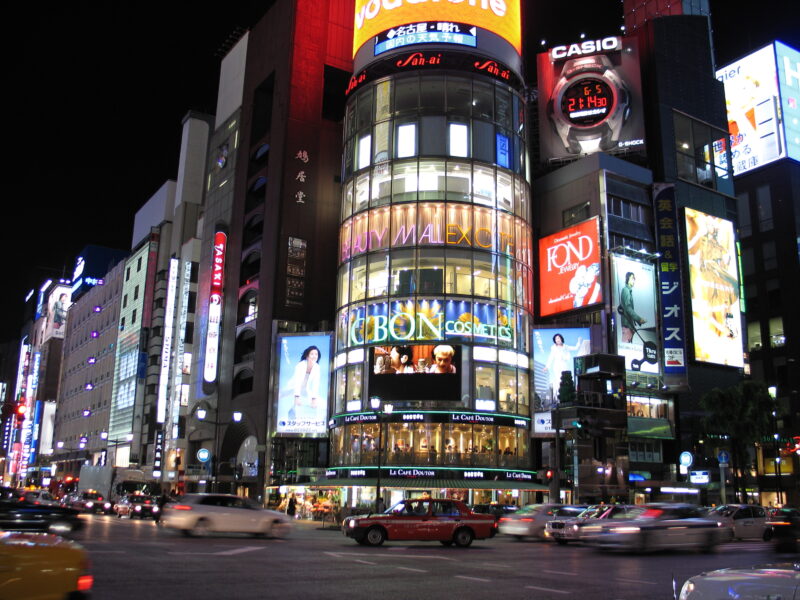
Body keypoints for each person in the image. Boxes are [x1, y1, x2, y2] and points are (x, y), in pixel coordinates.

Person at [543, 333, 582, 405]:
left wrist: (579, 341)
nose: (557, 340)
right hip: (557, 365)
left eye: (558, 338)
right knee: (558, 381)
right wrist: (547, 366)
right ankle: (559, 398)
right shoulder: (553, 348)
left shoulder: (566, 347)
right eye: (556, 339)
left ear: (561, 338)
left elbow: (575, 348)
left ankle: (568, 398)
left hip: (564, 365)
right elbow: (551, 357)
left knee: (567, 380)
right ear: (555, 341)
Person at [288, 345, 321, 421]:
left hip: (305, 390)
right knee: (291, 405)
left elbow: (316, 383)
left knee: (315, 406)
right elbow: (297, 382)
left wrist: (314, 398)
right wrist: (296, 396)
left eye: (316, 354)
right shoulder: (300, 365)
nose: (314, 356)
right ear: (307, 356)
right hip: (293, 388)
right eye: (312, 354)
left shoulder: (317, 367)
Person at [619, 272, 646, 343]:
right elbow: (628, 308)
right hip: (627, 325)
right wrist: (638, 319)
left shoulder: (628, 291)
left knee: (629, 347)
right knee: (627, 348)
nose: (634, 280)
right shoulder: (626, 290)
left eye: (634, 278)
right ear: (627, 279)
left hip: (629, 325)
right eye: (632, 278)